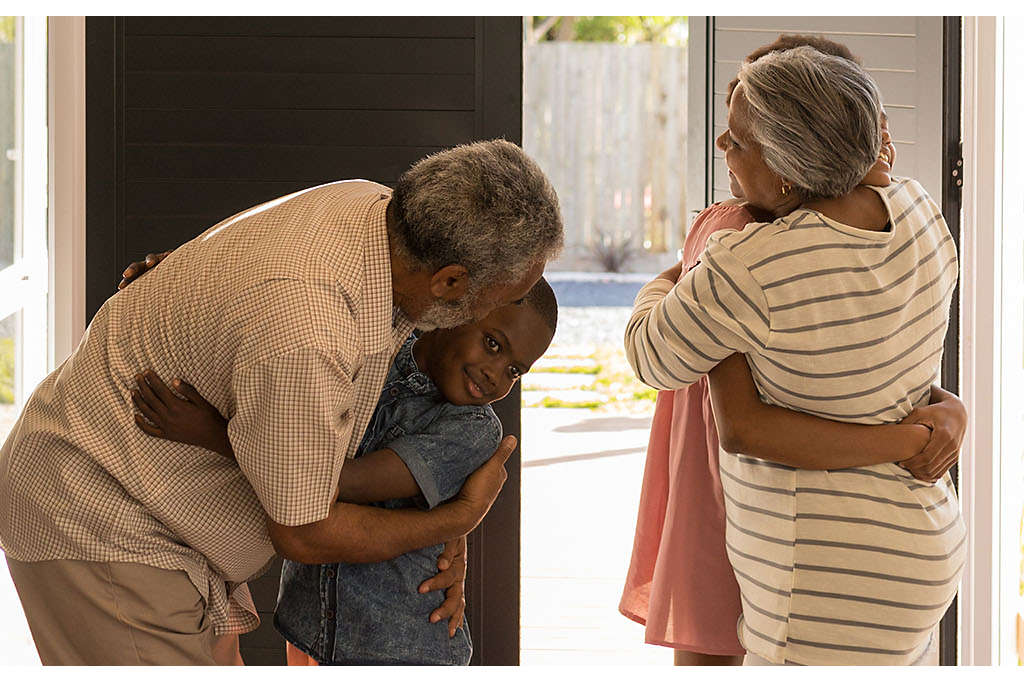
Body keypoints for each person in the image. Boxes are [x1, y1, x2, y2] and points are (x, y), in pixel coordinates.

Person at [0, 139, 563, 665]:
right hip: (106, 519)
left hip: (176, 520)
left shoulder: (369, 210)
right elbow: (304, 529)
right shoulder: (308, 337)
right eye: (503, 300)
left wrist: (203, 285)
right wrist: (458, 516)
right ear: (449, 282)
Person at [619, 35, 966, 666]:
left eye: (739, 140)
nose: (723, 148)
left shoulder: (749, 266)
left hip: (823, 579)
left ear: (786, 166)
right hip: (924, 547)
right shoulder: (918, 211)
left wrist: (676, 276)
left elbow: (650, 354)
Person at [128, 279, 558, 665]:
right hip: (307, 629)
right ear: (458, 310)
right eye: (494, 345)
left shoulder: (471, 430)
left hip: (398, 649)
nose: (496, 375)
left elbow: (341, 483)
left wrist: (213, 434)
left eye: (515, 370)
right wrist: (182, 276)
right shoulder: (373, 346)